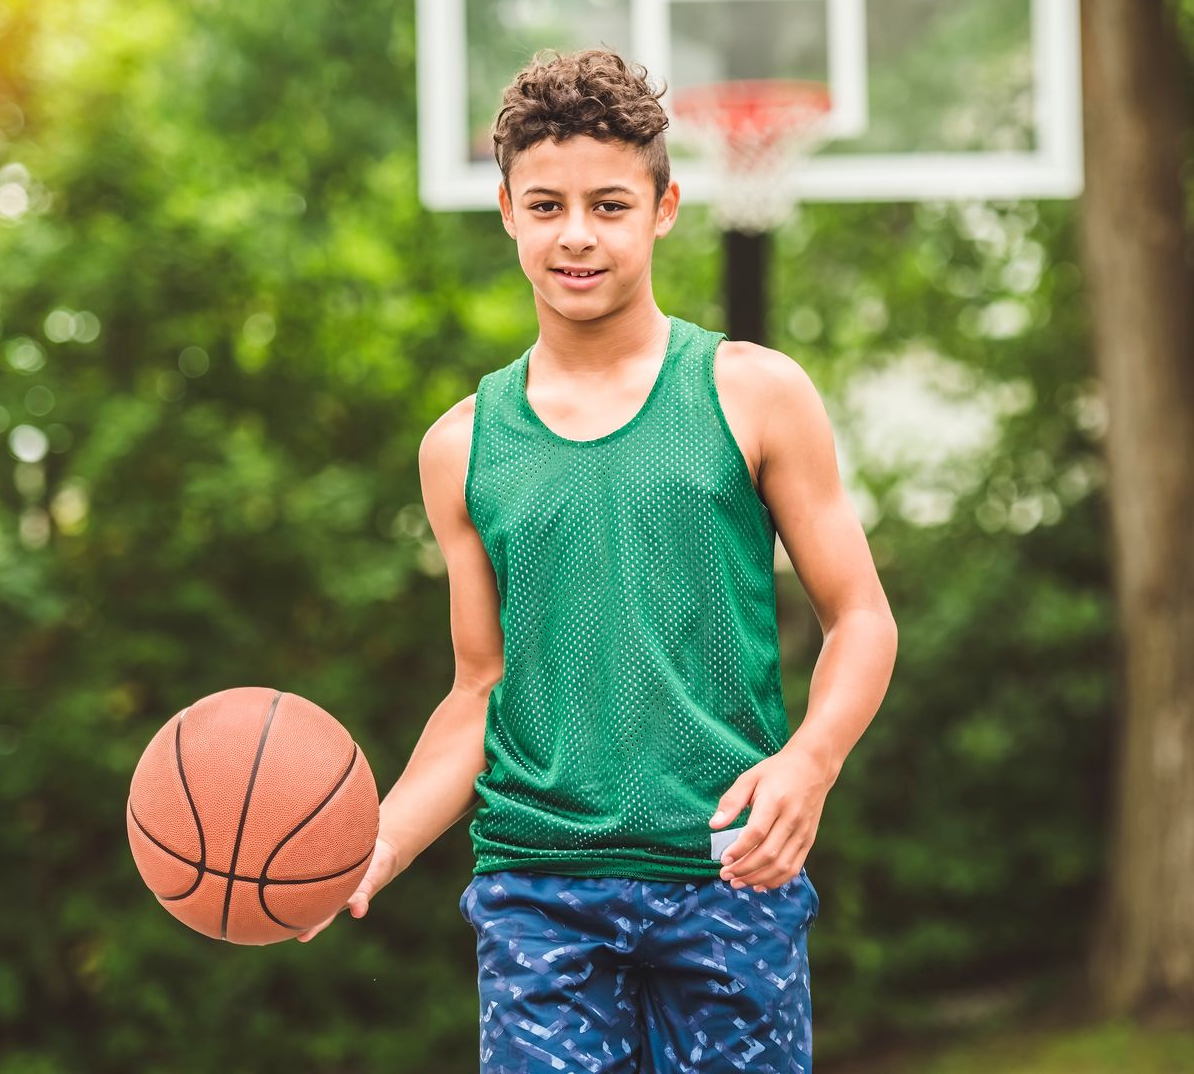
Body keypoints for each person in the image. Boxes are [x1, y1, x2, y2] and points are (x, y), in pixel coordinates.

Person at [298, 46, 898, 1073]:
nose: (577, 234)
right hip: (540, 896)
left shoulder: (753, 394)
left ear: (664, 209)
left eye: (610, 206)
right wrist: (381, 840)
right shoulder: (461, 447)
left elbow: (862, 619)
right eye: (547, 206)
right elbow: (478, 691)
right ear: (505, 210)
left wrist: (812, 758)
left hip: (727, 876)